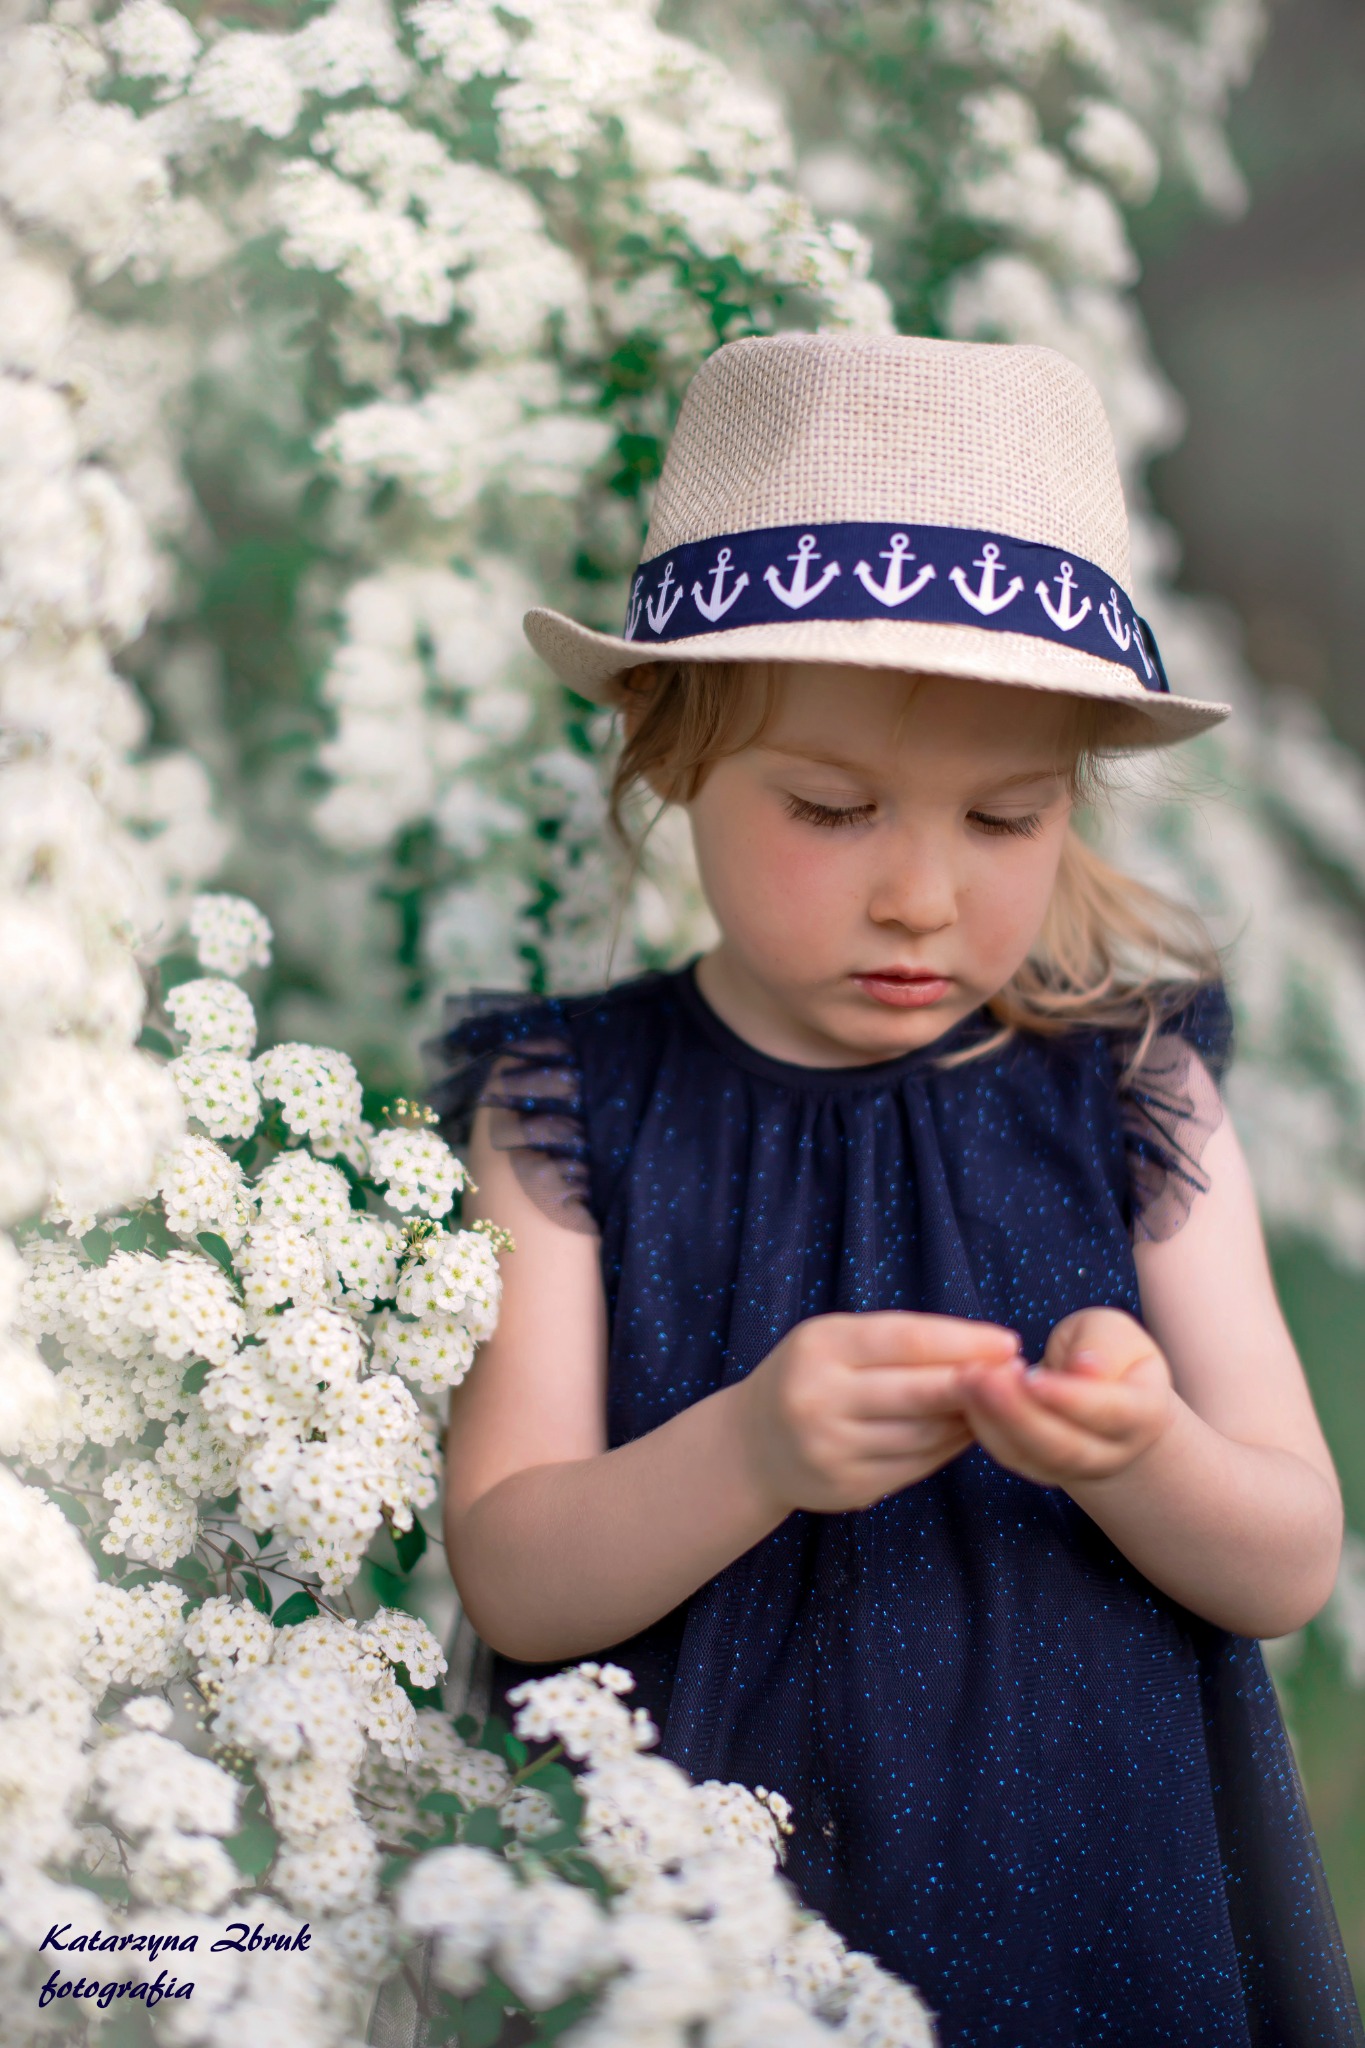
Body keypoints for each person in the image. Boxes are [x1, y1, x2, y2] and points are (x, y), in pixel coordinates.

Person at [432, 334, 1363, 2047]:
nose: (921, 896)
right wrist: (748, 1449)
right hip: (700, 1917)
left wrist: (1148, 1453)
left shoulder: (1130, 1085)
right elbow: (513, 1574)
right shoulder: (568, 1103)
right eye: (833, 806)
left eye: (1006, 820)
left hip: (1088, 1889)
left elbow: (1287, 1561)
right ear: (662, 753)